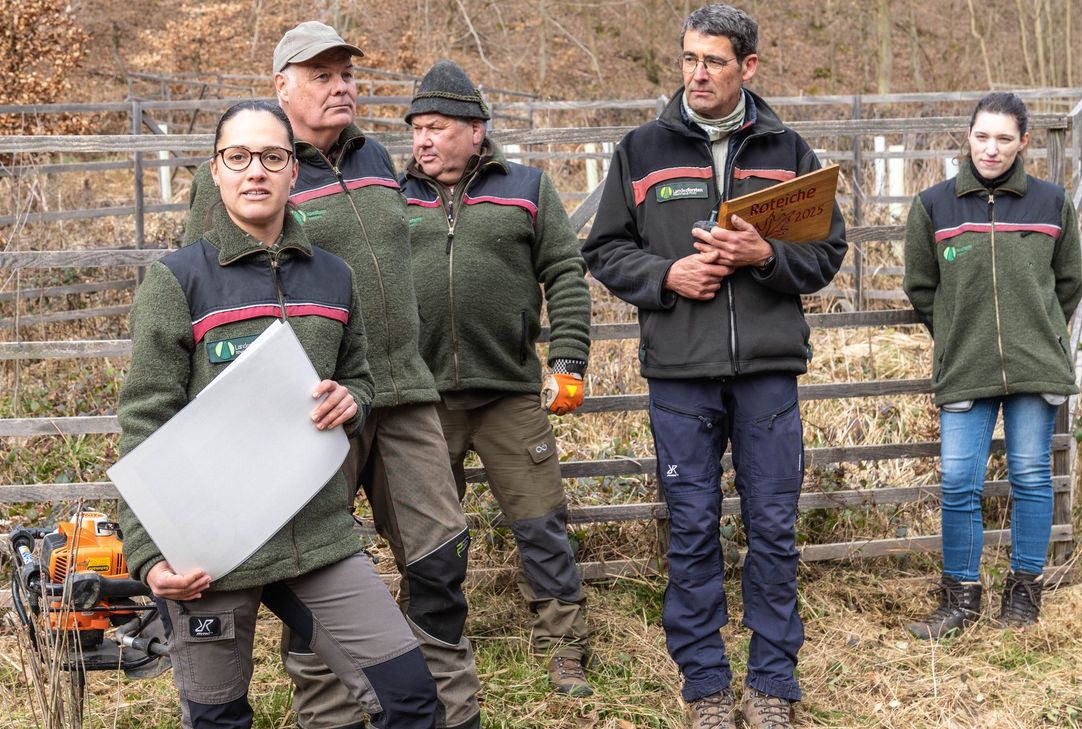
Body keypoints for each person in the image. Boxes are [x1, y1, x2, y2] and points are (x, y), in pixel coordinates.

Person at [184, 22, 480, 729]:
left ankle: (449, 711)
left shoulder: (375, 155)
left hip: (403, 392)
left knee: (439, 558)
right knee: (315, 566)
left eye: (346, 73)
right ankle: (332, 716)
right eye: (321, 75)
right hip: (310, 407)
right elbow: (211, 290)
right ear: (281, 86)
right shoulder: (248, 171)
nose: (341, 86)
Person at [117, 100, 437, 729]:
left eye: (271, 156)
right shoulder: (177, 282)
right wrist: (148, 552)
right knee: (218, 718)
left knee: (410, 698)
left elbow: (359, 377)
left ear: (294, 170)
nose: (255, 171)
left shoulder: (335, 278)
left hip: (316, 538)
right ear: (216, 170)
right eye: (238, 157)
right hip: (208, 550)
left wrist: (352, 401)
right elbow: (144, 421)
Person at [582, 5, 847, 728]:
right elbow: (604, 249)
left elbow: (826, 254)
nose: (697, 74)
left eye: (714, 61)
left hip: (767, 372)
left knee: (773, 526)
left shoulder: (788, 150)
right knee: (694, 527)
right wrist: (666, 276)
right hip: (681, 371)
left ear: (747, 67)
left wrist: (766, 257)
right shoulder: (642, 150)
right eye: (689, 59)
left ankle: (771, 685)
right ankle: (705, 686)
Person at [401, 60, 594, 696]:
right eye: (416, 129)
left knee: (540, 523)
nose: (423, 140)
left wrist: (568, 360)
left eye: (436, 128)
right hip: (423, 400)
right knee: (427, 534)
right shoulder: (393, 198)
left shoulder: (528, 188)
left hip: (509, 393)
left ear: (476, 131)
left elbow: (565, 274)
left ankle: (563, 644)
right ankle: (428, 644)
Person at [903, 92, 1082, 640]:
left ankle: (1024, 594)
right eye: (982, 136)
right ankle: (960, 598)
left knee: (1030, 475)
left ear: (1023, 142)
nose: (991, 148)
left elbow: (1069, 283)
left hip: (1035, 364)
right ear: (968, 136)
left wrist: (1041, 331)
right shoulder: (934, 205)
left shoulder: (1052, 203)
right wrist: (958, 334)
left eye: (1005, 138)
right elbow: (921, 286)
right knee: (959, 480)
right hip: (966, 363)